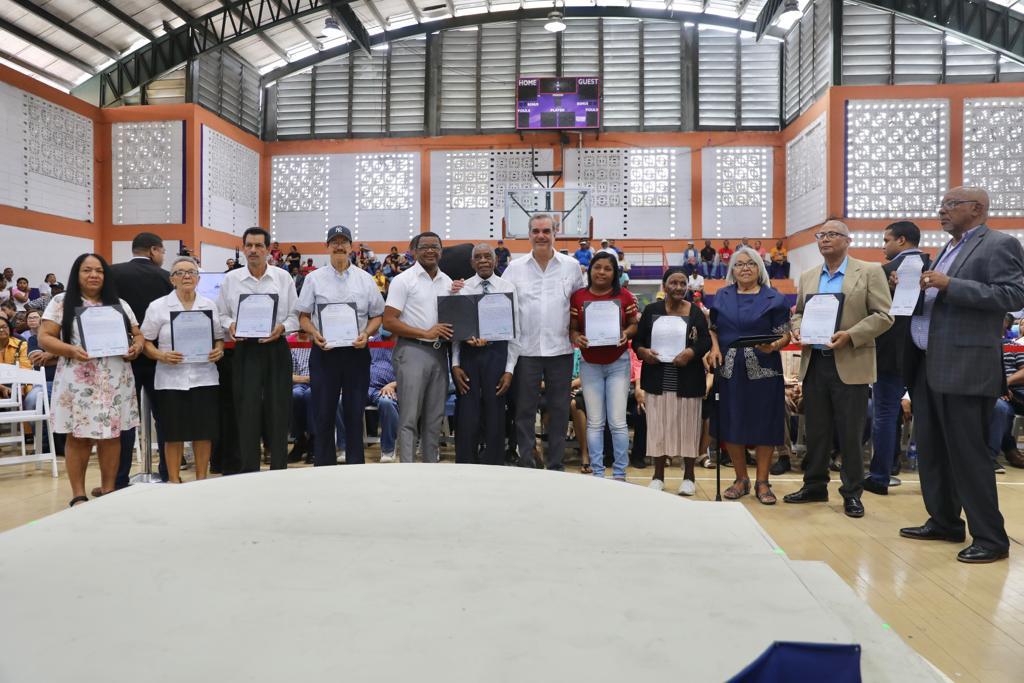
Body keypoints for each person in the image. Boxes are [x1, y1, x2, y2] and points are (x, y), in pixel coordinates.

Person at [900, 187, 1024, 564]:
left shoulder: (999, 244)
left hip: (965, 366)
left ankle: (991, 537)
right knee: (932, 449)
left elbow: (1013, 295)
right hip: (928, 363)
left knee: (969, 454)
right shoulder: (948, 248)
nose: (942, 210)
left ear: (977, 208)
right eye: (942, 204)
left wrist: (949, 284)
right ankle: (945, 521)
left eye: (951, 204)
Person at [784, 220, 893, 518]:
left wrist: (851, 335)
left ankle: (852, 492)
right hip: (815, 362)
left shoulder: (869, 271)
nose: (825, 239)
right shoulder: (808, 276)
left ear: (847, 240)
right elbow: (799, 313)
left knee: (850, 433)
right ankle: (814, 485)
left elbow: (884, 315)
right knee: (816, 430)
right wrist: (798, 328)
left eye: (832, 234)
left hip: (851, 361)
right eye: (821, 235)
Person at [38, 254, 145, 507]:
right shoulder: (61, 302)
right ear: (77, 274)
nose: (94, 275)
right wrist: (70, 350)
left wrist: (136, 347)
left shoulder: (119, 304)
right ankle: (78, 495)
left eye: (99, 271)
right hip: (79, 379)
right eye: (87, 270)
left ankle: (108, 490)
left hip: (115, 378)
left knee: (112, 435)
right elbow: (45, 337)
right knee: (79, 436)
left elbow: (137, 334)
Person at [706, 248, 792, 503]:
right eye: (739, 264)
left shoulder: (774, 298)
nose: (745, 268)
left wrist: (774, 346)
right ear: (732, 270)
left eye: (751, 263)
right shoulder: (721, 296)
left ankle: (762, 482)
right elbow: (713, 328)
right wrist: (714, 347)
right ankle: (741, 479)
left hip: (765, 368)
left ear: (759, 268)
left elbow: (785, 334)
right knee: (732, 421)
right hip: (729, 369)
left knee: (765, 423)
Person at [296, 226, 385, 467]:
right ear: (327, 247)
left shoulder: (365, 279)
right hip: (324, 354)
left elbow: (377, 315)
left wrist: (366, 333)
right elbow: (303, 316)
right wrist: (314, 333)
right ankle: (324, 467)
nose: (339, 246)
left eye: (343, 241)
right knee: (323, 414)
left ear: (351, 247)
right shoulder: (313, 279)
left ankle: (355, 467)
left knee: (354, 414)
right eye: (334, 242)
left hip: (356, 354)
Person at [503, 214, 586, 471]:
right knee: (524, 411)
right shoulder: (514, 268)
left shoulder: (571, 266)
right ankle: (527, 463)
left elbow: (580, 306)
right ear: (529, 234)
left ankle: (556, 465)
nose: (541, 236)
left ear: (555, 233)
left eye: (546, 231)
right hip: (525, 351)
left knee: (559, 411)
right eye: (536, 231)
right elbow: (499, 302)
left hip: (561, 350)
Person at [217, 227, 298, 473]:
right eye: (249, 245)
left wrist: (282, 327)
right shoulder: (231, 279)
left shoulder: (283, 278)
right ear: (243, 248)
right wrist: (230, 325)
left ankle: (278, 469)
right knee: (246, 410)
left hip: (276, 347)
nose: (253, 250)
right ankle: (249, 471)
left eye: (259, 246)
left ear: (268, 249)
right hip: (245, 351)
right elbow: (221, 314)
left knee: (279, 409)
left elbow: (295, 315)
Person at [139, 256, 223, 483]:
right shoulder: (158, 307)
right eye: (180, 272)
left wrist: (218, 350)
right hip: (170, 379)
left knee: (203, 432)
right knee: (173, 433)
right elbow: (145, 341)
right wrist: (161, 355)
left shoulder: (209, 305)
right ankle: (174, 480)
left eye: (191, 272)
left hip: (204, 377)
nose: (186, 276)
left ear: (198, 278)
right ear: (172, 279)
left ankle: (201, 479)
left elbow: (218, 337)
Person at [863, 221, 929, 495]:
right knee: (929, 418)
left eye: (886, 240)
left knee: (885, 415)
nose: (883, 246)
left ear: (901, 240)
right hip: (925, 352)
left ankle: (880, 476)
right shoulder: (934, 267)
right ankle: (931, 478)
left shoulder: (884, 271)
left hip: (890, 354)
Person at [634, 267, 710, 493]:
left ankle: (689, 477)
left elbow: (705, 341)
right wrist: (644, 352)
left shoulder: (695, 312)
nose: (678, 287)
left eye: (683, 283)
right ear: (664, 286)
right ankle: (658, 476)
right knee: (658, 428)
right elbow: (637, 341)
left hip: (688, 379)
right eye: (673, 283)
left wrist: (691, 352)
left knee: (688, 428)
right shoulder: (652, 310)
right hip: (658, 379)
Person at [383, 232, 455, 463]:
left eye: (435, 246)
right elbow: (389, 321)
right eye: (424, 246)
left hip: (440, 352)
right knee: (409, 417)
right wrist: (425, 333)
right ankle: (407, 469)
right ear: (414, 251)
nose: (430, 250)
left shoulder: (448, 282)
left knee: (434, 417)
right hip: (412, 350)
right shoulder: (403, 280)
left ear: (441, 251)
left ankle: (430, 467)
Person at [110, 232, 173, 490]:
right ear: (154, 250)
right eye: (162, 251)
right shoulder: (167, 277)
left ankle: (118, 478)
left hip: (124, 356)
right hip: (160, 357)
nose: (162, 256)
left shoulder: (112, 273)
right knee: (165, 418)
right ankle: (169, 473)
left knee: (125, 420)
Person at [569, 253, 639, 480]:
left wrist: (626, 333)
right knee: (595, 422)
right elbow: (573, 329)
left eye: (607, 269)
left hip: (618, 363)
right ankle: (597, 473)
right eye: (597, 267)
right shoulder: (578, 297)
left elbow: (634, 325)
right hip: (590, 364)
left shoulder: (625, 296)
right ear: (590, 270)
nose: (601, 272)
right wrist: (577, 338)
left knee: (617, 422)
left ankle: (619, 474)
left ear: (615, 273)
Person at [451, 244, 519, 465]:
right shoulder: (462, 288)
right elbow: (456, 332)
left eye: (487, 256)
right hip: (469, 356)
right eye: (478, 257)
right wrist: (455, 365)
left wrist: (509, 370)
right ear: (472, 263)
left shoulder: (508, 287)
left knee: (495, 412)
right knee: (467, 413)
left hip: (497, 355)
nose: (483, 260)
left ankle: (494, 464)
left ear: (495, 261)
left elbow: (516, 331)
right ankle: (465, 464)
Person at [367, 333, 399, 463]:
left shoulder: (405, 343)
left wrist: (394, 385)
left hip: (391, 388)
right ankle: (343, 447)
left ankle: (388, 450)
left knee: (386, 402)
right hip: (366, 386)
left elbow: (411, 372)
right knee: (341, 400)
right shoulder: (372, 342)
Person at [287, 328, 314, 464]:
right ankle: (299, 439)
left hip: (317, 383)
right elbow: (288, 374)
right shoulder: (290, 343)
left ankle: (313, 440)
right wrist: (306, 379)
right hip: (298, 383)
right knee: (295, 395)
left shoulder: (317, 341)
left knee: (311, 395)